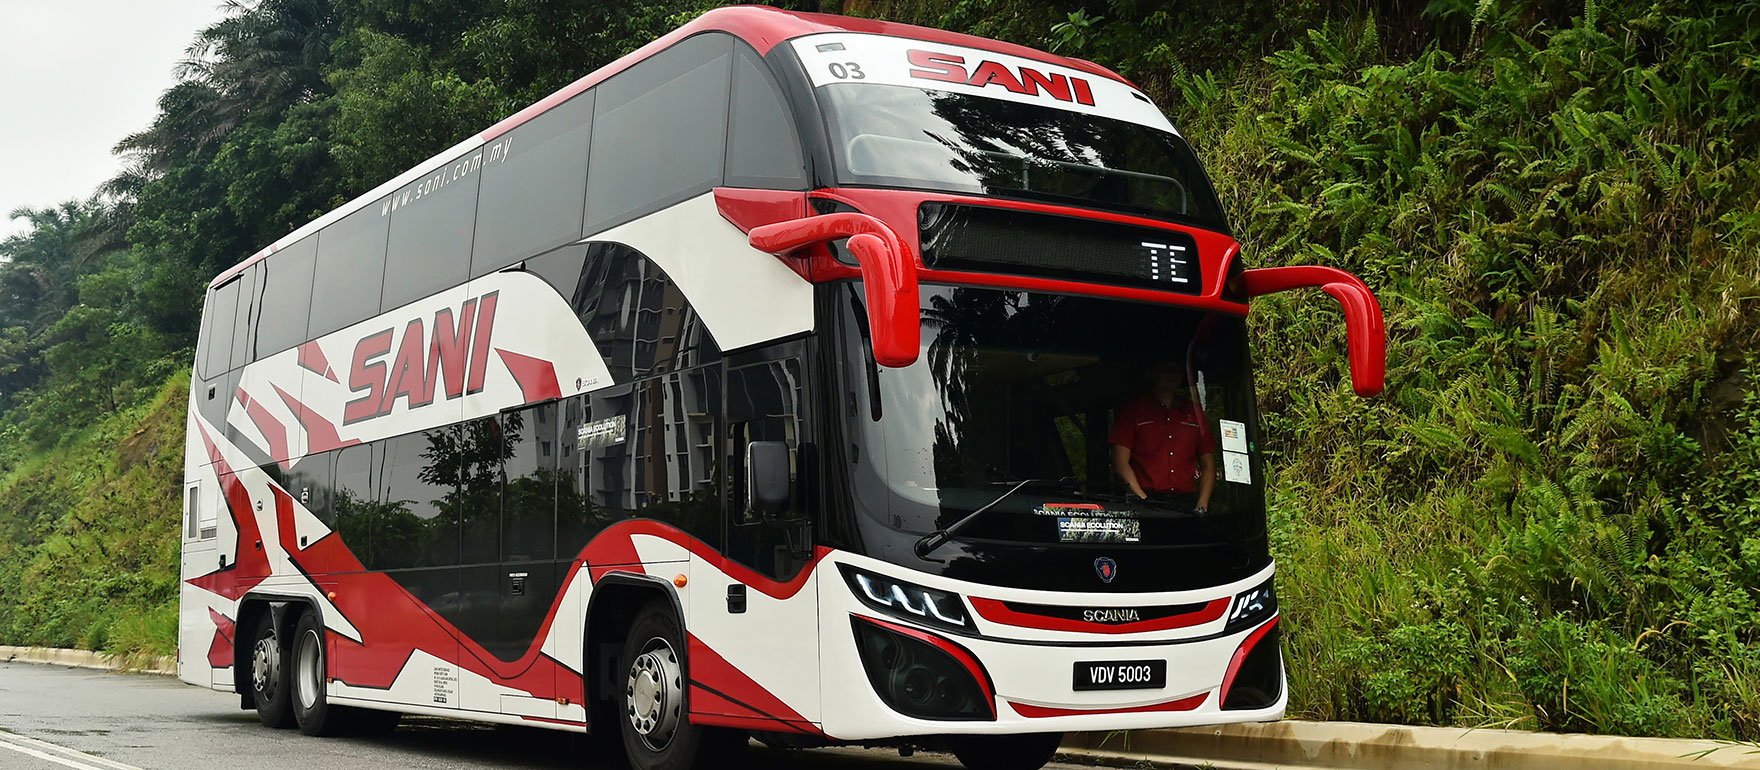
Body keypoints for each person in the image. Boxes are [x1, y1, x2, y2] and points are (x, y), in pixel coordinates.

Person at [1108, 360, 1216, 511]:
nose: (1172, 374)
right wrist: (1143, 500)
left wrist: (1202, 505)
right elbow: (1119, 462)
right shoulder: (1132, 410)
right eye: (1166, 369)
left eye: (1176, 370)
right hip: (1144, 501)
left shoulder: (1194, 413)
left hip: (1186, 504)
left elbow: (1208, 464)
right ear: (1151, 373)